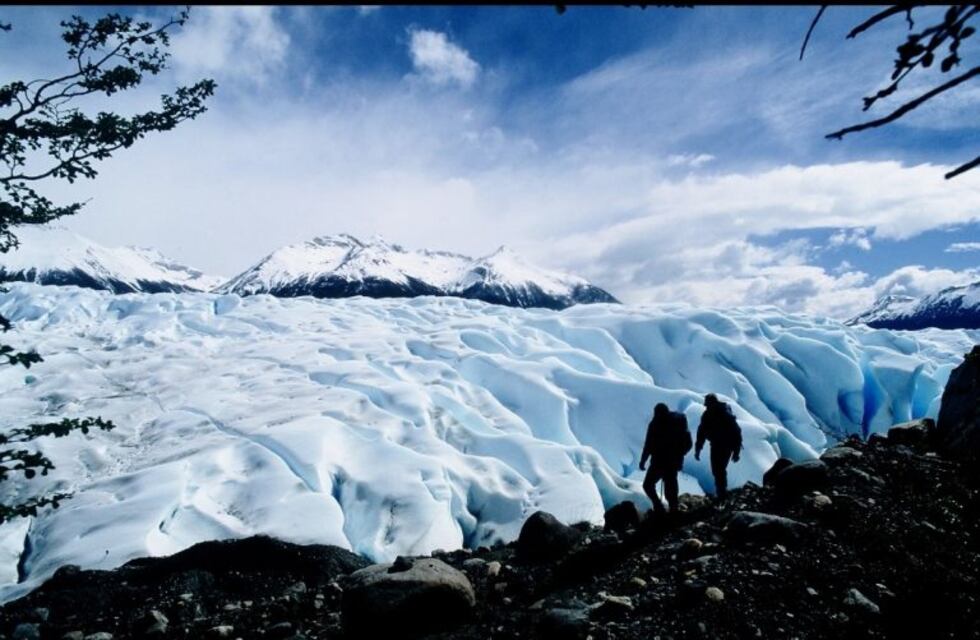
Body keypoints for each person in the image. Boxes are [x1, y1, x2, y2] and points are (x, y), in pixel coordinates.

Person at [639, 402, 693, 515]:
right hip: (672, 461)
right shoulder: (679, 420)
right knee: (670, 484)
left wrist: (643, 460)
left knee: (648, 485)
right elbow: (688, 442)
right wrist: (680, 454)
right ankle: (673, 509)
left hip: (659, 461)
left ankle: (660, 507)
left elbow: (648, 444)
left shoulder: (655, 424)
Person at [694, 393, 743, 500]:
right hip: (721, 445)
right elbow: (701, 432)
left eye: (707, 404)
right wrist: (698, 448)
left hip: (722, 446)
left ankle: (722, 493)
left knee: (718, 469)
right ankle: (721, 491)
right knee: (718, 469)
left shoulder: (720, 414)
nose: (706, 407)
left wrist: (737, 451)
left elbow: (701, 432)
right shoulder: (713, 414)